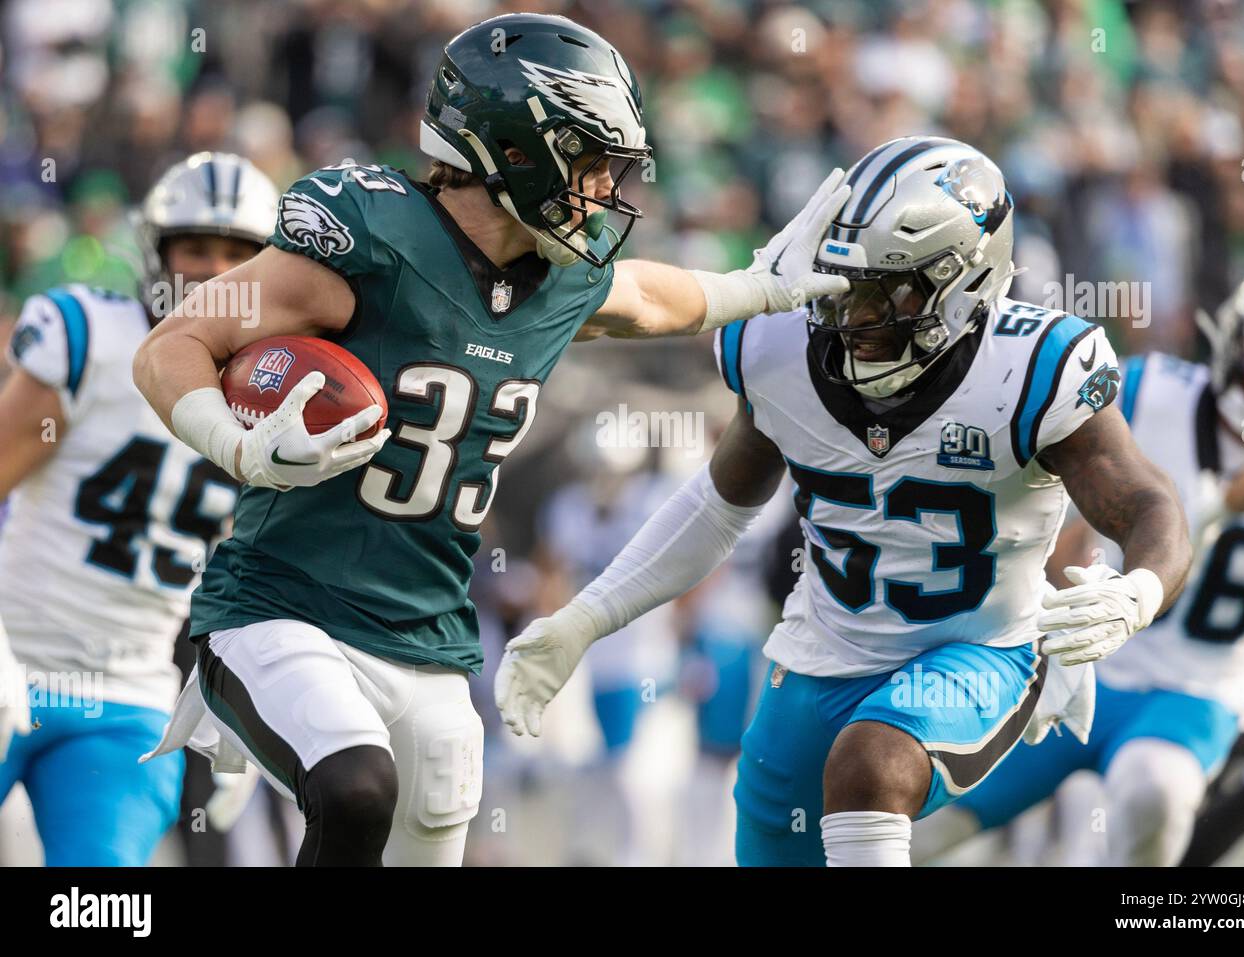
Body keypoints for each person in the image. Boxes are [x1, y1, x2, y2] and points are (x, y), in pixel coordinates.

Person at [133, 13, 850, 867]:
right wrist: (238, 445)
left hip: (428, 632)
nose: (603, 189)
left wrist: (758, 286)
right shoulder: (374, 238)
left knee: (432, 817)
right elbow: (172, 344)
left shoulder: (559, 281)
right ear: (516, 147)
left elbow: (652, 298)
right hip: (281, 605)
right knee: (354, 785)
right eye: (587, 160)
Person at [494, 136, 1192, 866]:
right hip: (822, 653)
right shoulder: (781, 346)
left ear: (965, 283)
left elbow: (1147, 501)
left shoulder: (1033, 365)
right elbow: (715, 507)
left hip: (981, 651)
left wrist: (1138, 590)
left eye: (885, 292)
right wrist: (583, 620)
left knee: (871, 765)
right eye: (843, 284)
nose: (852, 316)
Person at [919, 258, 1244, 866]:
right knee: (923, 830)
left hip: (1191, 691)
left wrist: (1223, 502)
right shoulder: (1151, 390)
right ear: (1233, 339)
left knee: (1159, 791)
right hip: (1065, 658)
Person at [0, 151, 277, 865]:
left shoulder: (279, 395)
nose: (215, 272)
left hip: (124, 697)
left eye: (237, 253)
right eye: (196, 247)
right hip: (12, 650)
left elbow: (259, 578)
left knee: (100, 908)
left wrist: (243, 713)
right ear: (157, 254)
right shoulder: (91, 336)